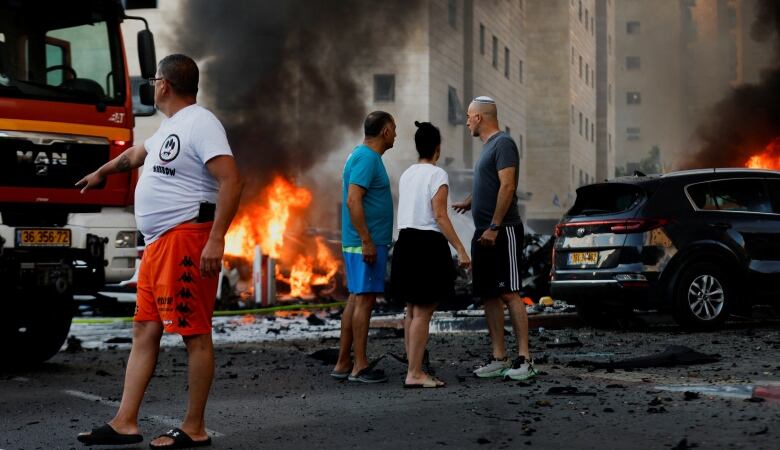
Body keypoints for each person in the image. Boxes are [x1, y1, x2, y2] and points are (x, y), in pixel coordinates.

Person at [76, 54, 243, 448]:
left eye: (153, 80)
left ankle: (193, 428)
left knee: (194, 334)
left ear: (164, 84)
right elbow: (137, 155)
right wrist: (103, 171)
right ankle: (125, 422)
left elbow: (232, 181)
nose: (151, 86)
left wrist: (217, 239)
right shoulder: (172, 126)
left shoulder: (202, 123)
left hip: (186, 239)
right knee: (144, 329)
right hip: (157, 246)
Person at [453, 96, 537, 381]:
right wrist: (471, 200)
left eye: (468, 117)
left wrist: (495, 226)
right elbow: (490, 184)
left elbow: (508, 185)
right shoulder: (489, 148)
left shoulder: (503, 143)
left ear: (479, 118)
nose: (466, 122)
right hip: (484, 231)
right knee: (489, 294)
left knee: (510, 293)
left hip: (503, 230)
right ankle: (499, 357)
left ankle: (525, 358)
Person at [391, 121, 470, 388]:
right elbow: (439, 215)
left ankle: (415, 367)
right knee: (423, 311)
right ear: (437, 149)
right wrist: (460, 248)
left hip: (405, 241)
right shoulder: (437, 175)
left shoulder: (407, 174)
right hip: (426, 245)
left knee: (412, 310)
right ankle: (414, 372)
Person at [332, 111, 396, 383]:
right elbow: (353, 201)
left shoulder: (361, 156)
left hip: (361, 241)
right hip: (365, 244)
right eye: (394, 129)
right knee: (364, 300)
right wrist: (367, 240)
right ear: (384, 131)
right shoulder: (368, 158)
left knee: (357, 298)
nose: (396, 135)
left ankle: (344, 362)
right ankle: (359, 365)